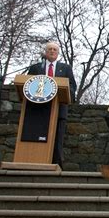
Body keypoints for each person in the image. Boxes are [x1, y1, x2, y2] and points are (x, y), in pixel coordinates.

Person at [28, 41, 77, 169]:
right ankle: (35, 161)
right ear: (46, 52)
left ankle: (56, 164)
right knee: (36, 135)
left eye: (54, 49)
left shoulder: (65, 68)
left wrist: (65, 93)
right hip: (38, 110)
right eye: (49, 49)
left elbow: (72, 86)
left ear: (58, 52)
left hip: (59, 110)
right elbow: (27, 86)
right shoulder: (35, 68)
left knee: (57, 139)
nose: (52, 51)